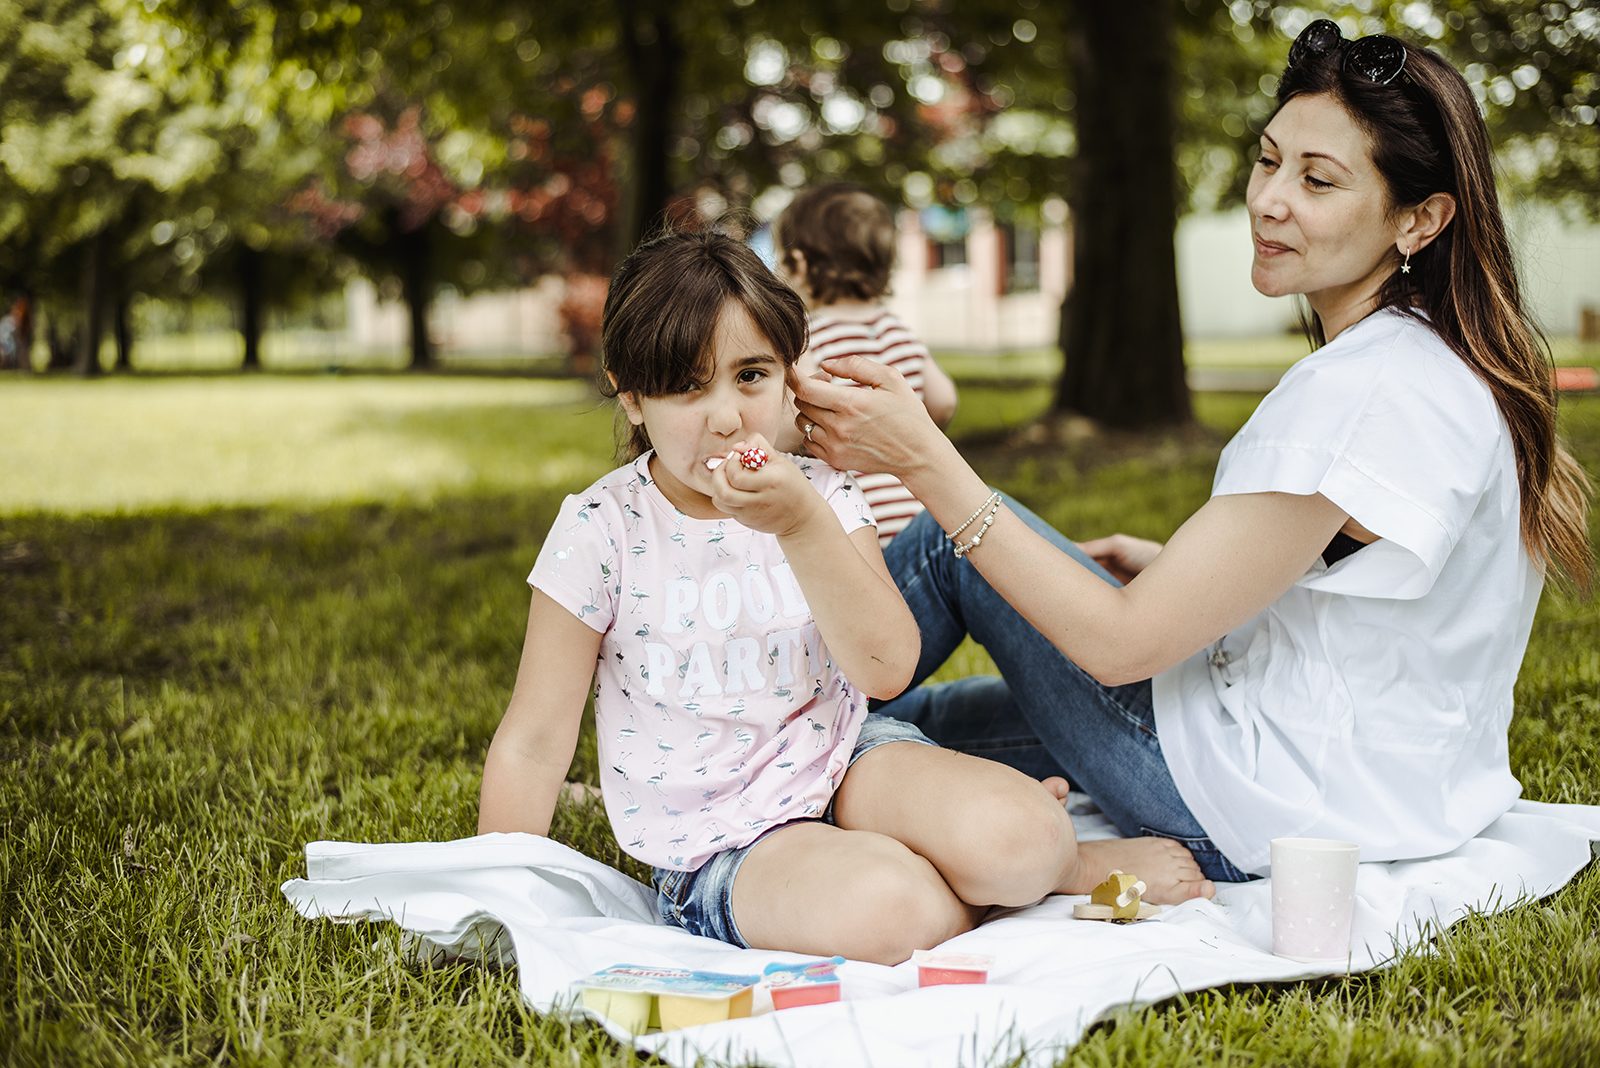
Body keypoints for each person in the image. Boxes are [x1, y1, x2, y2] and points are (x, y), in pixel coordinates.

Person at [791, 22, 1593, 883]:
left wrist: (922, 459)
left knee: (958, 549)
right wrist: (1177, 569)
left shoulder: (1361, 389)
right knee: (927, 730)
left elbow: (1119, 647)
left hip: (1246, 800)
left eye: (1318, 180)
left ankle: (750, 738)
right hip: (1367, 789)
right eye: (1268, 159)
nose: (1269, 199)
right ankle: (821, 760)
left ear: (1421, 219)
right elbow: (1364, 587)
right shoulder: (1441, 359)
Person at [477, 230, 1208, 966]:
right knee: (890, 910)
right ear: (632, 398)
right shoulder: (602, 530)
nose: (726, 416)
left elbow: (887, 670)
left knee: (1026, 835)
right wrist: (501, 904)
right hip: (720, 840)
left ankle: (1062, 869)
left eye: (751, 376)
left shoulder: (822, 494)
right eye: (687, 387)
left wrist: (802, 523)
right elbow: (535, 742)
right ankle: (965, 885)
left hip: (845, 757)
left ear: (789, 375)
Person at [772, 183, 959, 545]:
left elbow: (791, 423)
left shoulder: (808, 338)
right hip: (924, 512)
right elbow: (944, 400)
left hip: (860, 526)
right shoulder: (898, 330)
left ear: (798, 264)